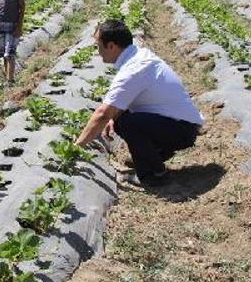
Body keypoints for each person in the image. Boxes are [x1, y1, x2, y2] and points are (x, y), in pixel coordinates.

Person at [74, 20, 204, 187]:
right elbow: (120, 105)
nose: (97, 50)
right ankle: (153, 156)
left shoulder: (132, 69)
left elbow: (102, 114)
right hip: (180, 124)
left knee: (129, 123)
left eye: (98, 44)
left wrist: (77, 147)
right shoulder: (138, 56)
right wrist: (113, 118)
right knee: (120, 119)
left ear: (111, 46)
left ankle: (153, 175)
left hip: (182, 130)